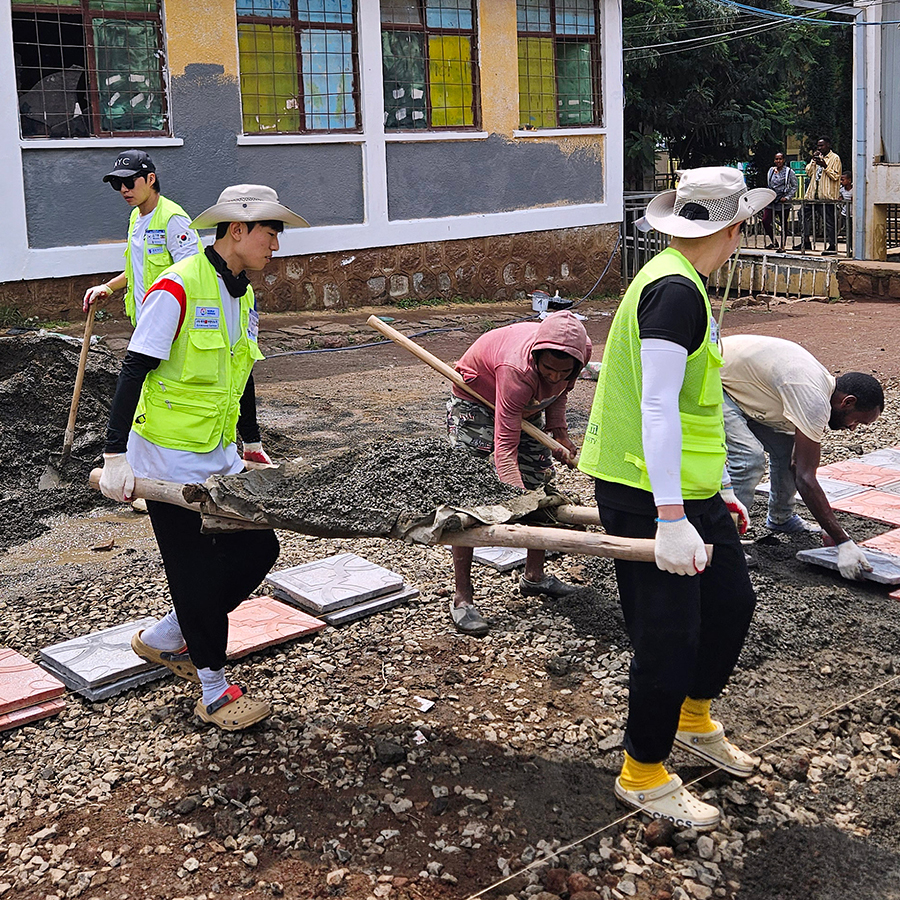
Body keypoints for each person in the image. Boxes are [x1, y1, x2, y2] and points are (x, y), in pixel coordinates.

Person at [579, 167, 773, 829]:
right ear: (735, 228)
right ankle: (644, 771)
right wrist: (669, 518)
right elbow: (658, 404)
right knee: (668, 633)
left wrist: (714, 490)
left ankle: (692, 719)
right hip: (644, 487)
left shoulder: (685, 282)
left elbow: (690, 406)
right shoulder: (673, 292)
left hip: (686, 486)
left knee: (730, 603)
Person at [97, 184, 310, 730]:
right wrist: (116, 455)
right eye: (270, 233)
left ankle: (171, 635)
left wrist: (253, 440)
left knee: (259, 549)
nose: (275, 247)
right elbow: (134, 368)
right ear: (236, 231)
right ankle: (213, 690)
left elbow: (242, 372)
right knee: (193, 570)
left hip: (217, 453)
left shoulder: (243, 295)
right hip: (165, 459)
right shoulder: (178, 287)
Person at [446, 311, 592, 637]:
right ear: (536, 357)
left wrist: (559, 433)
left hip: (524, 403)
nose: (555, 377)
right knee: (471, 496)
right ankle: (462, 597)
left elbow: (559, 391)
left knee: (541, 482)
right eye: (548, 369)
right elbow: (505, 450)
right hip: (477, 401)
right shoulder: (518, 369)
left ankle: (535, 578)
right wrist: (515, 499)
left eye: (563, 371)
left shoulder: (579, 353)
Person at [720, 334, 883, 579]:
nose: (852, 429)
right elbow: (806, 477)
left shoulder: (817, 388)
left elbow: (796, 461)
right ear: (847, 402)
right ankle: (724, 541)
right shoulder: (813, 397)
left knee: (786, 449)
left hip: (743, 389)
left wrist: (829, 523)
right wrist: (843, 541)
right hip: (714, 383)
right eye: (857, 421)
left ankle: (781, 518)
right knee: (748, 457)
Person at [82, 150, 200, 325]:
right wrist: (108, 287)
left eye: (129, 182)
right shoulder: (135, 217)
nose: (124, 189)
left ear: (151, 179)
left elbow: (193, 274)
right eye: (117, 183)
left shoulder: (173, 219)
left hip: (169, 324)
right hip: (144, 321)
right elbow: (138, 270)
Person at [793, 137, 842, 255]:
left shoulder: (835, 158)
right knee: (802, 214)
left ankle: (832, 245)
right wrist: (814, 160)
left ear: (828, 145)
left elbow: (836, 176)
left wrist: (825, 166)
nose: (819, 148)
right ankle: (806, 241)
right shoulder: (817, 158)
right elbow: (808, 172)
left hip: (826, 196)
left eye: (822, 145)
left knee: (829, 221)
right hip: (813, 195)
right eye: (818, 146)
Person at [761, 152, 797, 251]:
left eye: (780, 159)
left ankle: (782, 246)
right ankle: (774, 241)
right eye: (776, 159)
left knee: (783, 224)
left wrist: (788, 197)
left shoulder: (789, 172)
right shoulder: (771, 171)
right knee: (765, 220)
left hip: (783, 202)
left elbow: (794, 186)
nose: (778, 161)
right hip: (772, 200)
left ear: (784, 160)